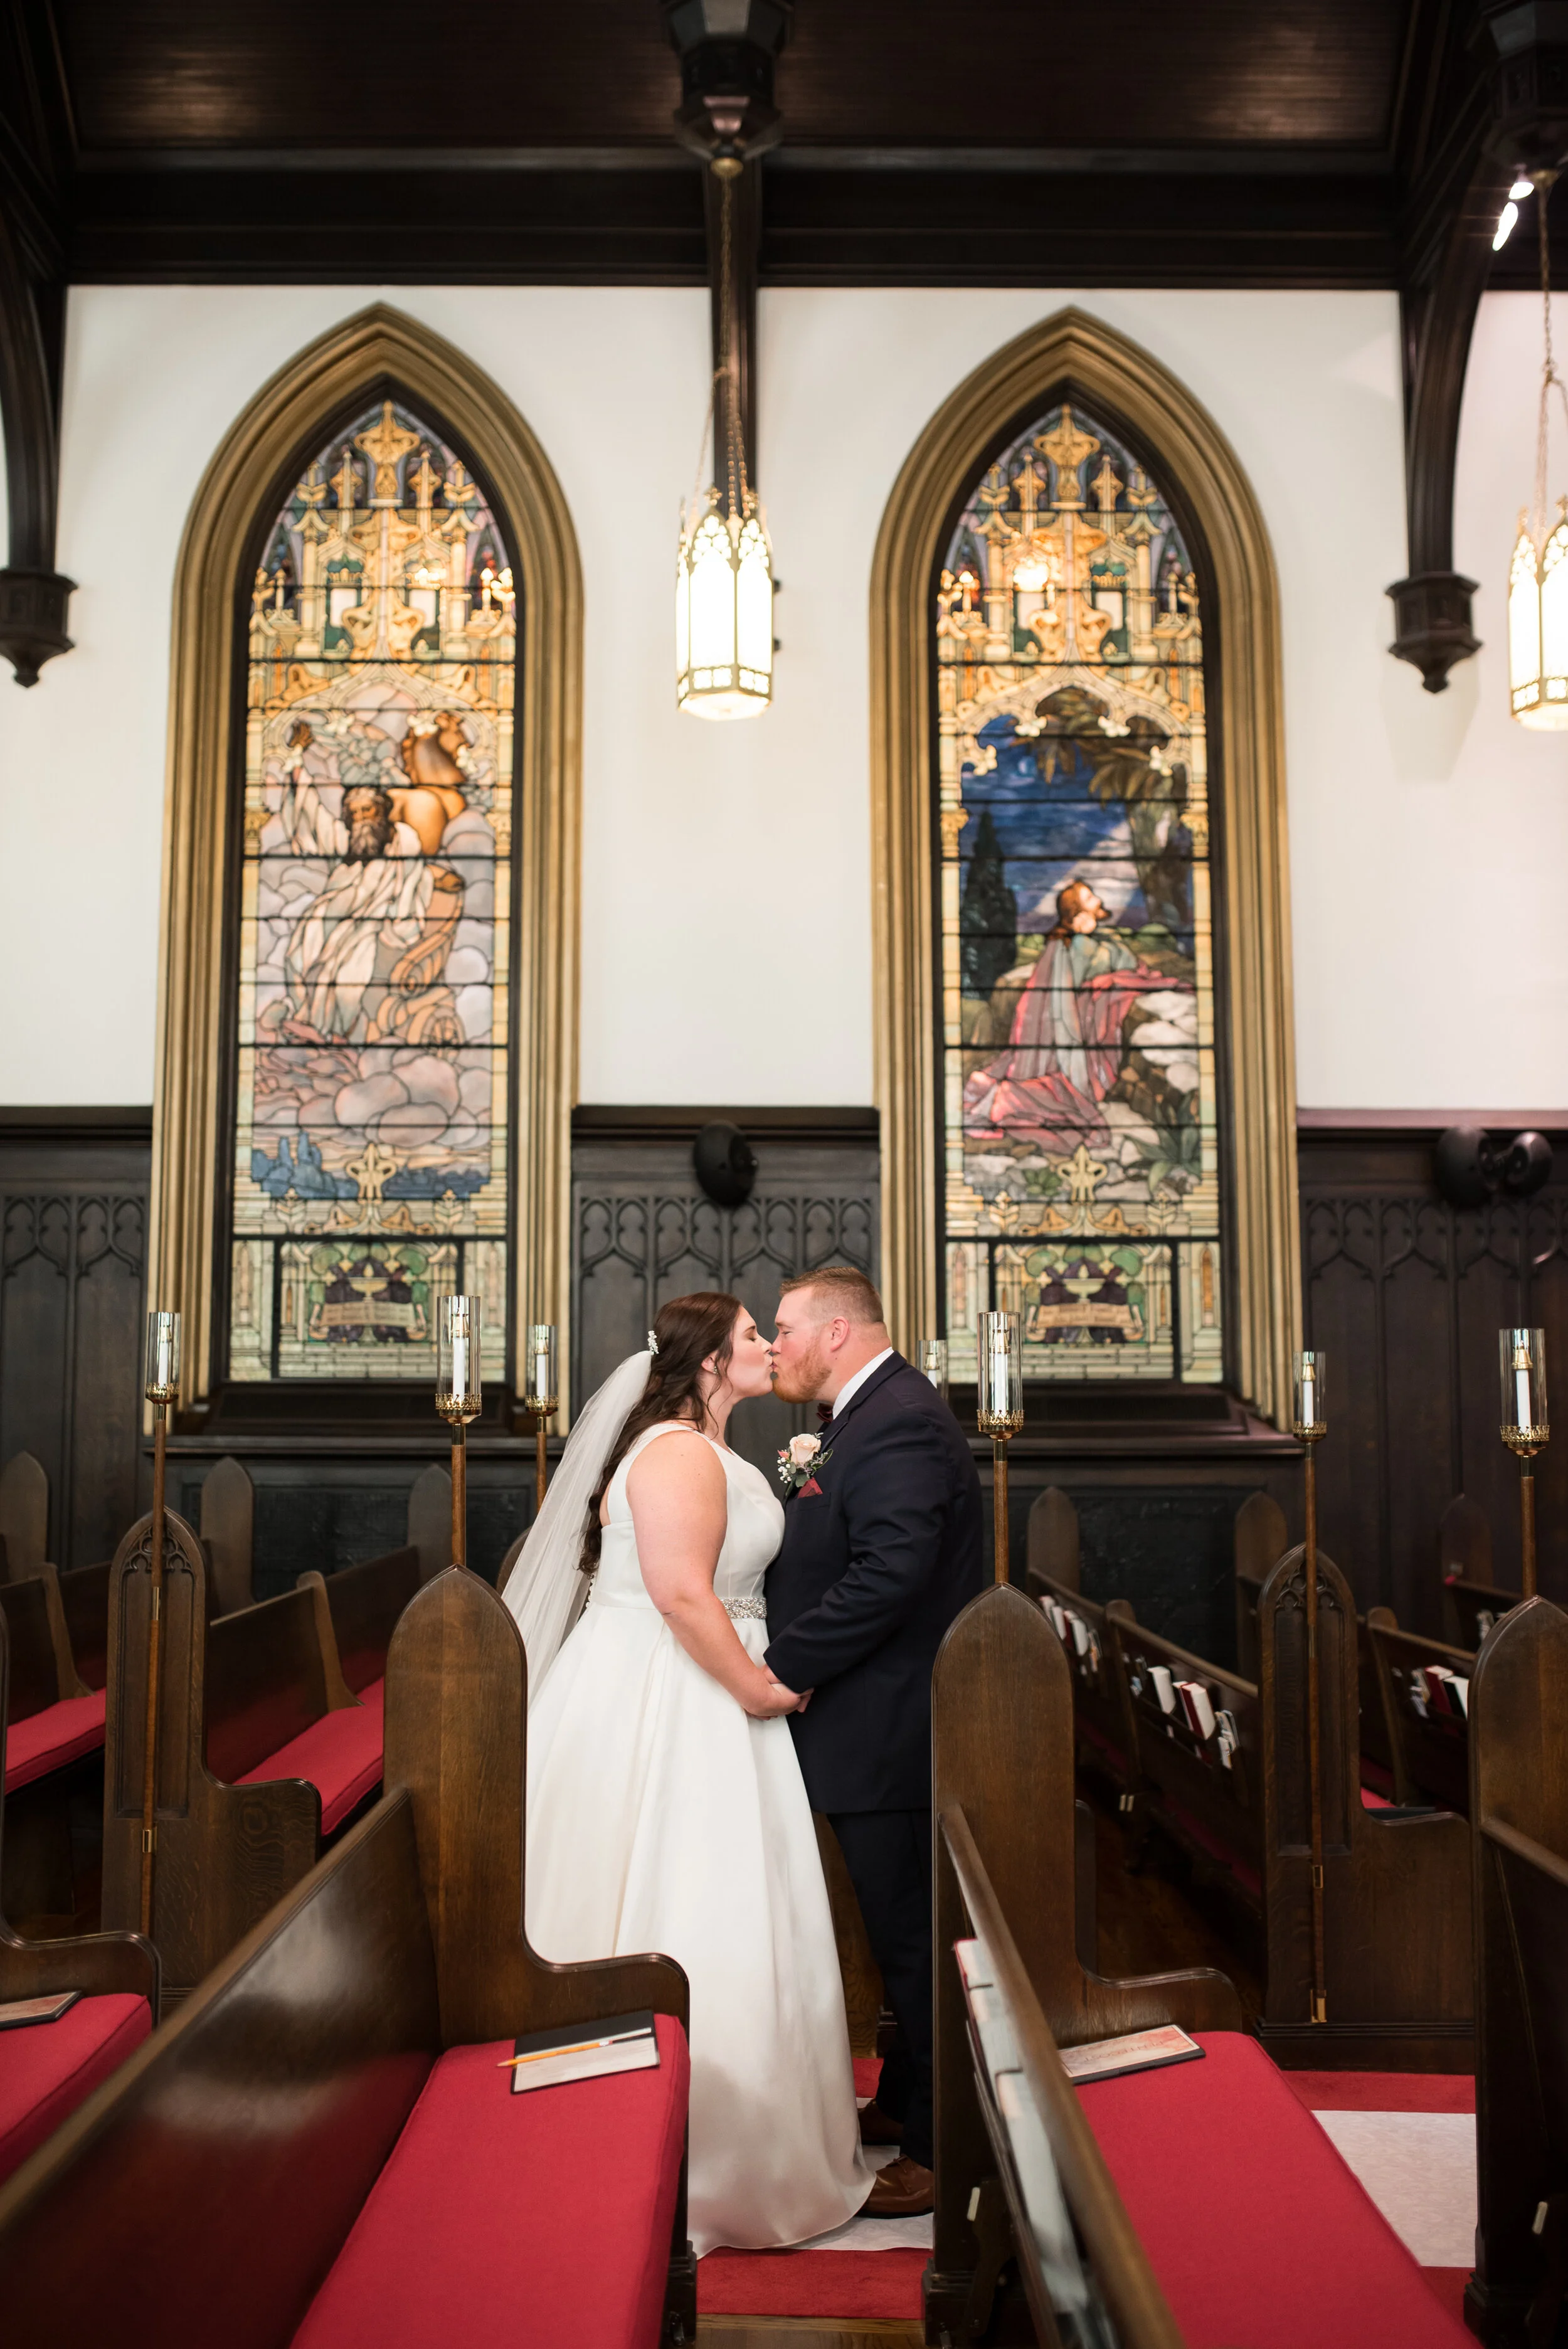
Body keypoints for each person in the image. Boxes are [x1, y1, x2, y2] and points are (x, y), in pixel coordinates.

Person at [505, 1292, 871, 2256]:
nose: (767, 1347)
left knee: (735, 1901)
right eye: (753, 1336)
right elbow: (677, 1592)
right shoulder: (674, 1452)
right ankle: (676, 2155)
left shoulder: (718, 1452)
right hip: (673, 1697)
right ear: (710, 1361)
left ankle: (743, 2141)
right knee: (684, 1889)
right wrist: (754, 1686)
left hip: (708, 1690)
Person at [766, 1266, 985, 2217]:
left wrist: (787, 1666)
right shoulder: (866, 1414)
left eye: (785, 1328)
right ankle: (904, 2102)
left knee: (912, 1938)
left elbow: (890, 1573)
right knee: (900, 1933)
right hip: (869, 1720)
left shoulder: (895, 1418)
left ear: (839, 1331)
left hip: (887, 1725)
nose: (776, 1345)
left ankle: (943, 2150)